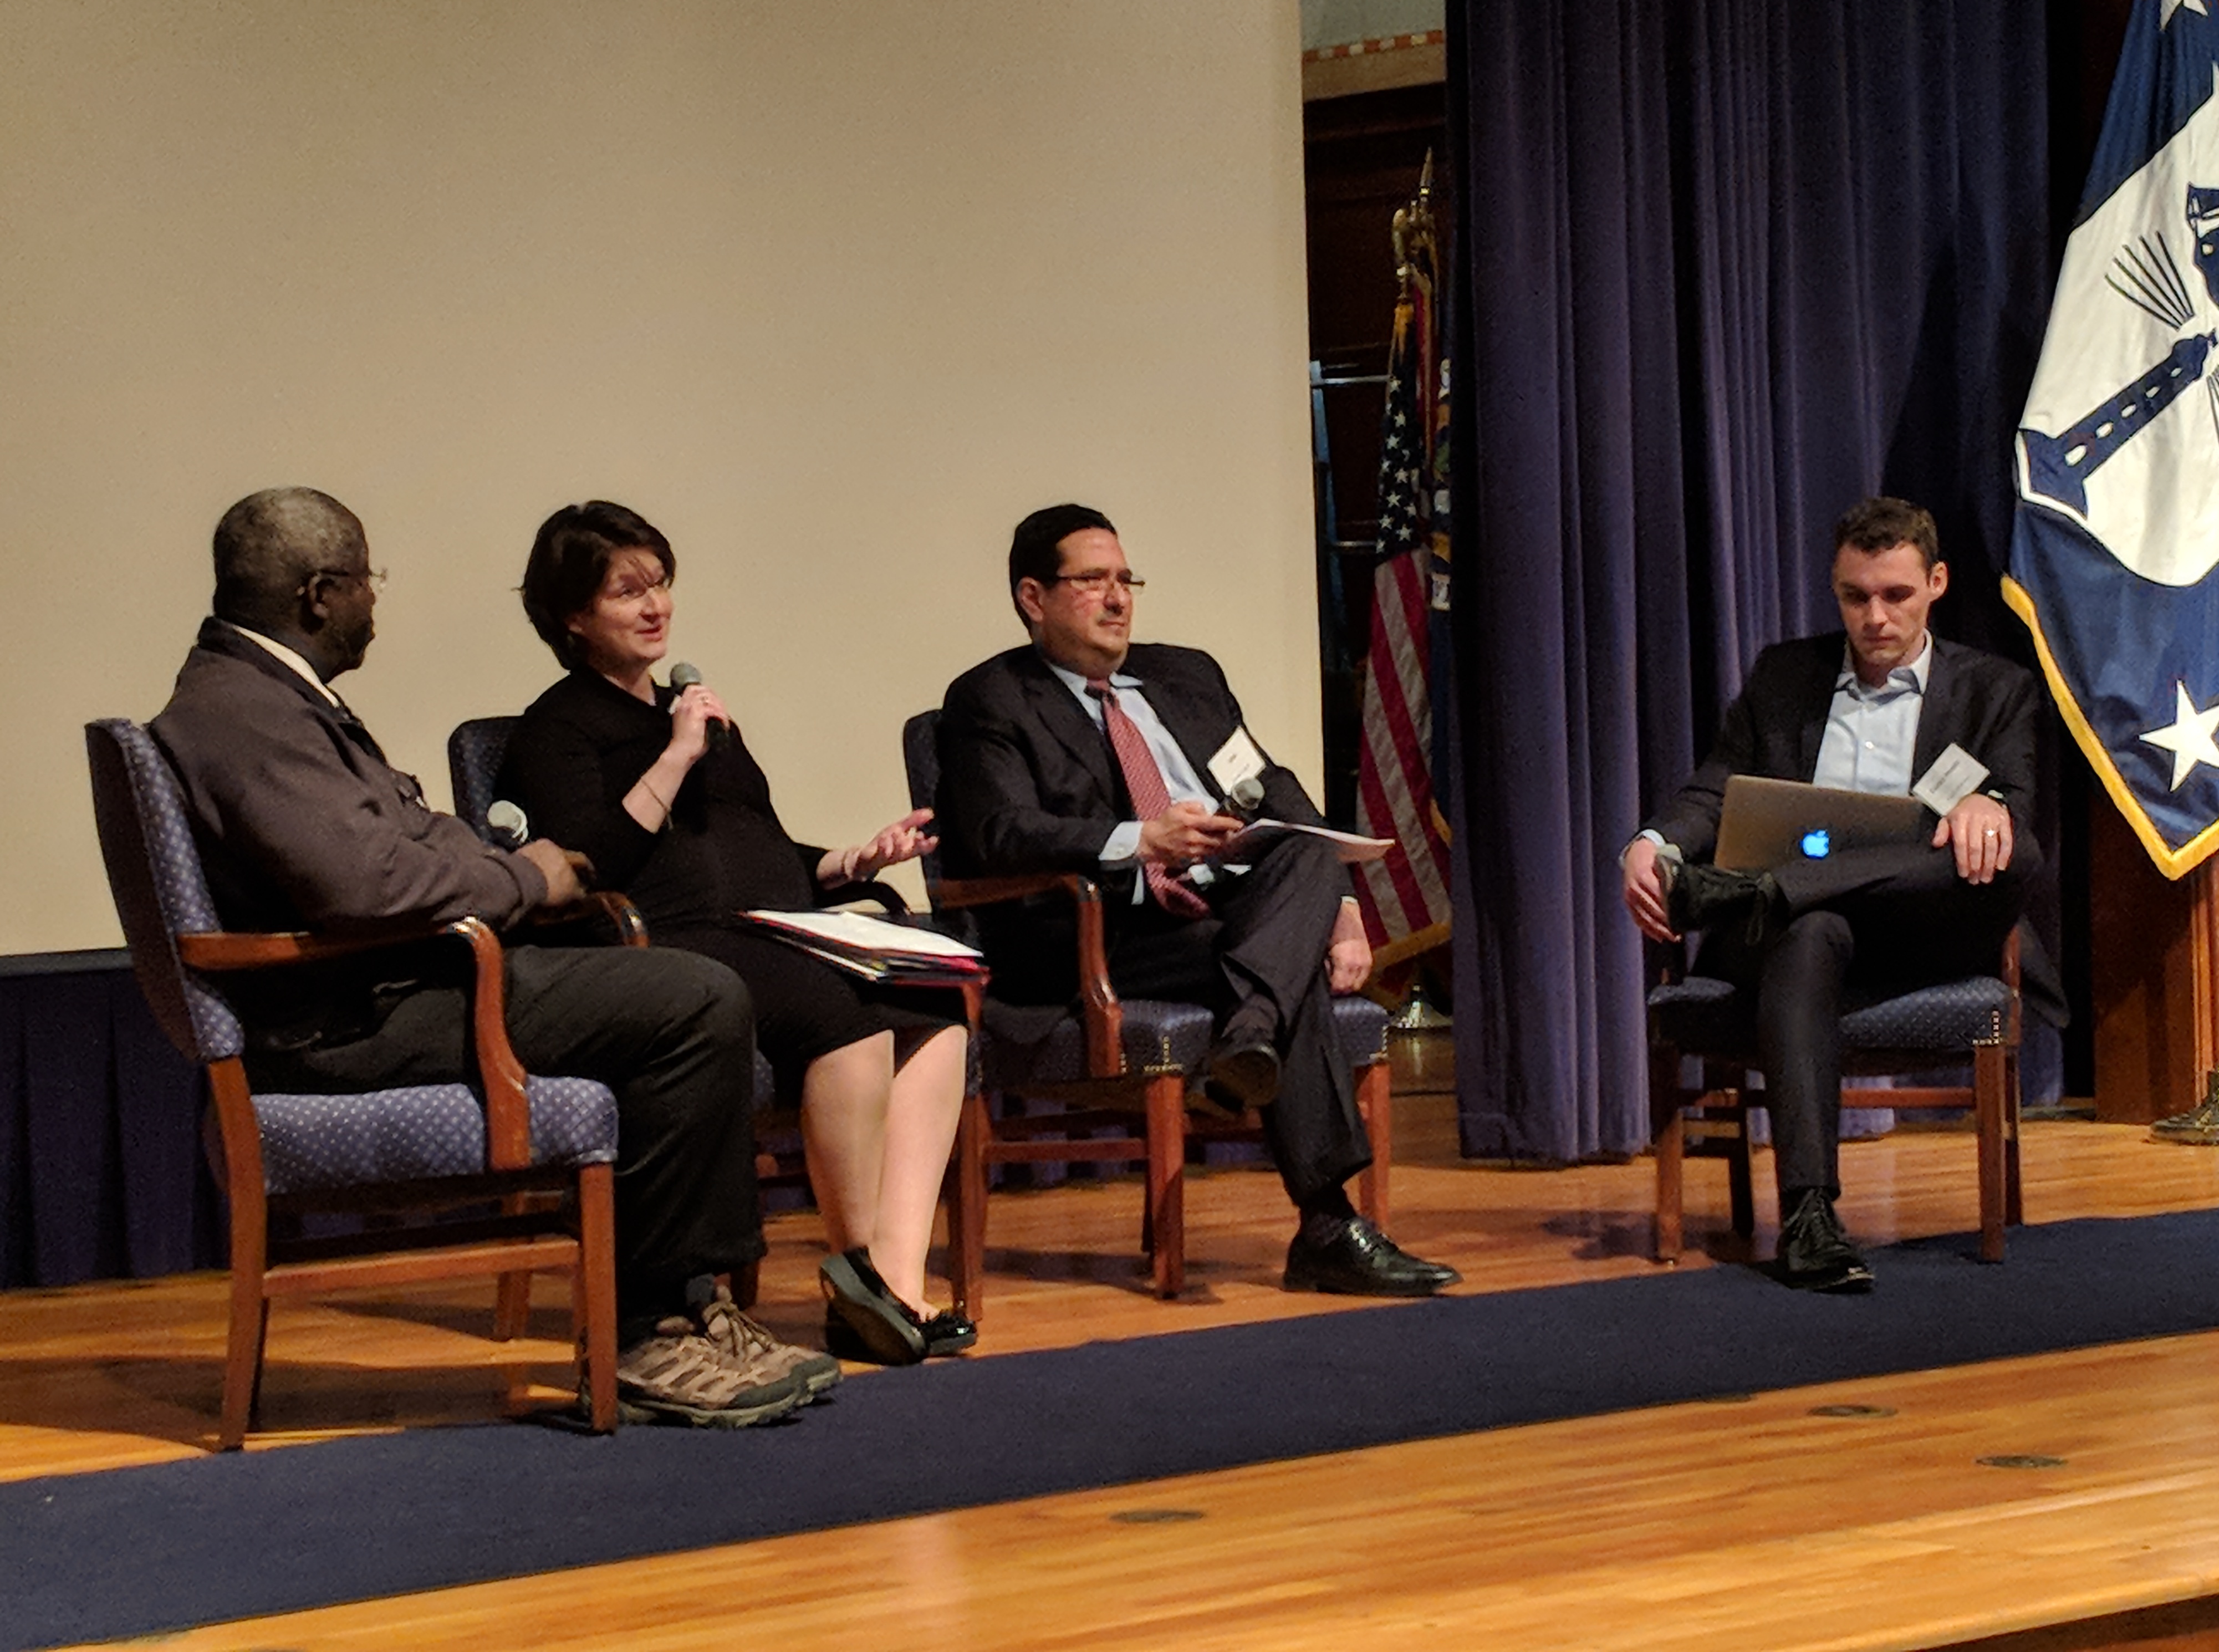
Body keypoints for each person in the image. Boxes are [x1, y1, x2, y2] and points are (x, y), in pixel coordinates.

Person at [150, 486, 835, 1426]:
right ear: (319, 594)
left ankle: (688, 1310)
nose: (373, 605)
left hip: (387, 987)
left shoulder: (260, 695)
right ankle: (648, 1331)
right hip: (349, 1017)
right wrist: (527, 884)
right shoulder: (243, 712)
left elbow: (406, 834)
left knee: (678, 994)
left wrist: (506, 865)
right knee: (692, 997)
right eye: (365, 583)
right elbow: (368, 887)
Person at [935, 503, 1460, 1297]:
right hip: (1096, 932)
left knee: (1301, 843)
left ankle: (1250, 1037)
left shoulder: (1187, 675)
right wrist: (1139, 839)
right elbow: (999, 833)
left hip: (1220, 915)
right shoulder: (992, 698)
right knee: (1290, 975)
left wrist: (1342, 907)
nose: (1117, 600)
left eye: (1125, 580)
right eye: (1092, 582)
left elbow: (1268, 786)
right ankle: (1327, 1226)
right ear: (1033, 598)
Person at [497, 500, 974, 1365]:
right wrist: (674, 755)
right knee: (844, 1015)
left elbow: (758, 847)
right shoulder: (556, 727)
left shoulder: (701, 714)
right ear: (573, 616)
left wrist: (851, 860)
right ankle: (858, 1273)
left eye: (660, 583)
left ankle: (892, 1287)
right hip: (664, 948)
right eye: (625, 592)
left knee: (936, 998)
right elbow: (588, 862)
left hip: (766, 927)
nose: (654, 607)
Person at [1621, 496, 2041, 1293]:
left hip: (1921, 932)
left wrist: (1996, 807)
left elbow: (2017, 805)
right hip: (1809, 942)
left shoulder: (1995, 690)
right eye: (1856, 597)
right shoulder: (1788, 675)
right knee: (1809, 931)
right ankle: (1811, 1216)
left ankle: (1759, 893)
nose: (1875, 618)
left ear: (1937, 583)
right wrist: (1654, 843)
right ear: (1835, 590)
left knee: (2013, 855)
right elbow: (1715, 790)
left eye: (1896, 595)